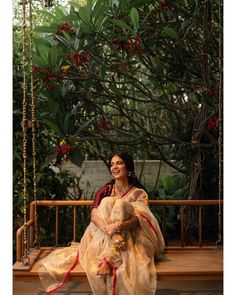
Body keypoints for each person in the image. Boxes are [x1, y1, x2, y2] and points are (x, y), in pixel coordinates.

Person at [38, 151, 165, 295]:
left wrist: (118, 226)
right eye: (112, 164)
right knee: (106, 203)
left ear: (128, 168)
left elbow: (139, 220)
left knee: (121, 206)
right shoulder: (105, 191)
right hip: (103, 236)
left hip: (131, 240)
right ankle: (111, 258)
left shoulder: (138, 193)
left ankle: (110, 259)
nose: (114, 167)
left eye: (119, 163)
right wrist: (112, 232)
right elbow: (94, 216)